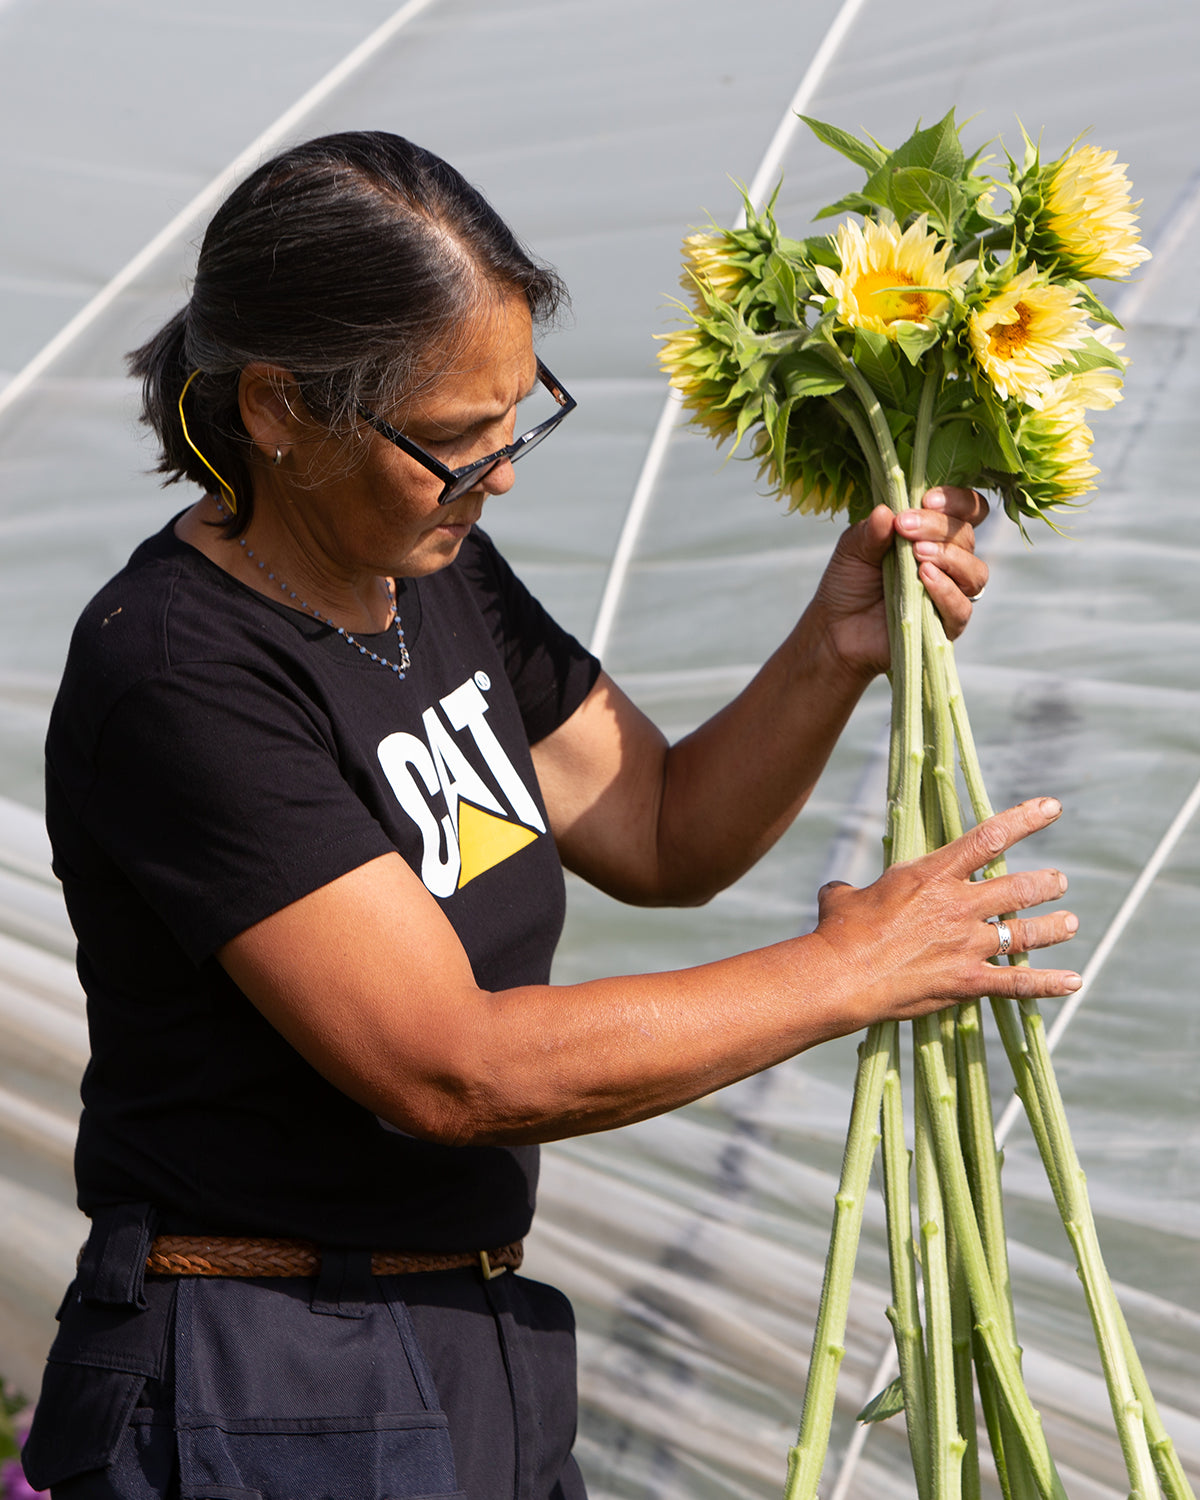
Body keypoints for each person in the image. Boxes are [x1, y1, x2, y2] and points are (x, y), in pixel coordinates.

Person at [24, 131, 1079, 1500]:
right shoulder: (183, 670)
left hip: (469, 1337)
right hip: (267, 1367)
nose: (501, 474)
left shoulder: (433, 570)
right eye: (456, 442)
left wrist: (833, 650)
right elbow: (450, 1068)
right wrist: (845, 972)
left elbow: (661, 826)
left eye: (519, 419)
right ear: (279, 408)